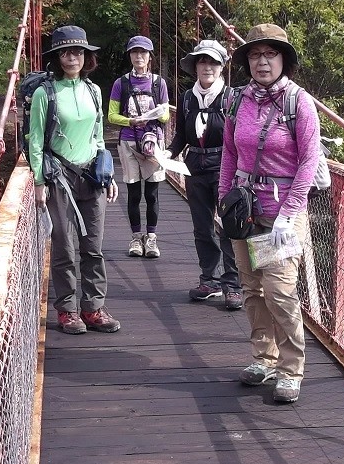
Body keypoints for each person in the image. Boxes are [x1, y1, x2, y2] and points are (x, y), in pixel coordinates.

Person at [218, 24, 322, 403]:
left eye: (270, 54)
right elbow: (230, 152)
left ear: (283, 60)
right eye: (255, 54)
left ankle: (290, 370)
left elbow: (310, 160)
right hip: (244, 210)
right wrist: (223, 199)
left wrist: (288, 212)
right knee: (252, 289)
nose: (262, 61)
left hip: (279, 213)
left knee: (279, 291)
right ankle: (264, 358)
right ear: (247, 61)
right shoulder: (236, 101)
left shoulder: (298, 103)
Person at [28, 25, 121, 335]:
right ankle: (67, 310)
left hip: (91, 176)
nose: (73, 57)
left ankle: (93, 307)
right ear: (57, 57)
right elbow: (36, 140)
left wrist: (107, 172)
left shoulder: (93, 90)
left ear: (87, 56)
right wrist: (39, 182)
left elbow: (97, 136)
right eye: (66, 52)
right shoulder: (46, 92)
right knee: (65, 247)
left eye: (79, 52)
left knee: (93, 247)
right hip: (60, 179)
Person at [160, 39, 243, 311]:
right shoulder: (186, 98)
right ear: (195, 66)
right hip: (194, 164)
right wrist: (169, 153)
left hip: (224, 165)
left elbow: (240, 137)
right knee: (202, 226)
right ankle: (209, 280)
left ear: (221, 67)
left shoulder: (232, 98)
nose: (207, 67)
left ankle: (233, 285)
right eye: (202, 61)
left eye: (213, 62)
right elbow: (182, 135)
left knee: (229, 226)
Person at [108, 35, 170, 259]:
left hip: (153, 142)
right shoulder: (121, 83)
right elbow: (112, 115)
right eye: (134, 52)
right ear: (130, 56)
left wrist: (157, 114)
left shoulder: (158, 83)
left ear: (149, 56)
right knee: (134, 193)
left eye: (143, 52)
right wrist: (131, 121)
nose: (139, 56)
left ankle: (151, 239)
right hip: (129, 142)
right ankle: (136, 237)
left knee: (152, 194)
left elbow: (165, 117)